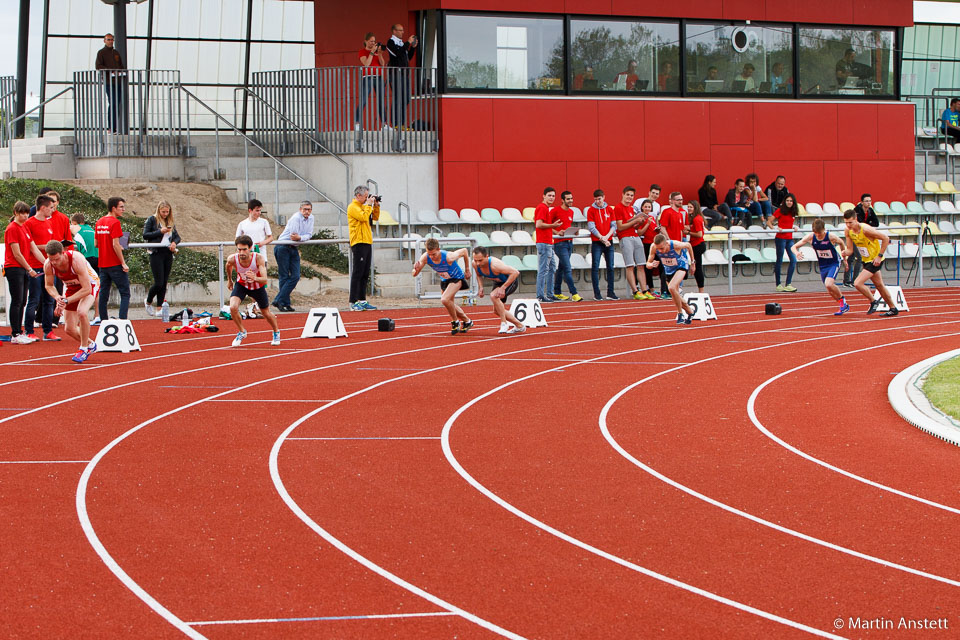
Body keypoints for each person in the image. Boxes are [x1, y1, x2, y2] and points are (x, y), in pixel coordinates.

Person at [43, 241, 100, 363]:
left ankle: (83, 348)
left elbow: (86, 289)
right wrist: (58, 298)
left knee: (82, 312)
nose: (54, 263)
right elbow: (49, 285)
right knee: (69, 329)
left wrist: (66, 301)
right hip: (71, 287)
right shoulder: (48, 264)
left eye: (56, 259)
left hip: (89, 284)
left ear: (63, 253)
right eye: (51, 259)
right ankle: (91, 345)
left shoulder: (76, 260)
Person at [225, 235, 281, 347]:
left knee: (266, 313)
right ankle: (242, 332)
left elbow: (265, 280)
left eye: (244, 249)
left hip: (257, 287)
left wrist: (255, 277)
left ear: (250, 248)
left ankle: (276, 332)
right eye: (239, 249)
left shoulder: (258, 258)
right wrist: (230, 280)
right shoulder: (232, 259)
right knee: (233, 307)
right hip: (241, 285)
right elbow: (228, 266)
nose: (241, 252)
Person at [840, 209, 898, 316]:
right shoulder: (848, 231)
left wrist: (879, 256)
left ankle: (873, 301)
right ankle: (893, 308)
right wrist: (844, 252)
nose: (848, 225)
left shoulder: (866, 229)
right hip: (866, 260)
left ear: (856, 219)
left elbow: (885, 238)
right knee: (879, 285)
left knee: (857, 283)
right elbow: (850, 250)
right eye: (846, 222)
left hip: (875, 260)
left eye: (850, 222)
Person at [411, 238, 474, 335]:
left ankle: (455, 322)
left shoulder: (449, 257)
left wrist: (467, 269)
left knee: (445, 299)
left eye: (434, 254)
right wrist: (416, 269)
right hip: (444, 280)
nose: (432, 257)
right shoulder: (425, 257)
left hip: (457, 278)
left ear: (438, 249)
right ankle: (467, 321)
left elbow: (464, 251)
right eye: (429, 254)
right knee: (449, 303)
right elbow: (414, 274)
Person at [4, 201, 44, 344]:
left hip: (23, 268)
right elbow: (17, 253)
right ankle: (15, 333)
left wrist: (46, 263)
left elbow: (33, 248)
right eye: (22, 213)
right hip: (14, 268)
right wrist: (29, 268)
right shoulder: (12, 228)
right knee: (17, 300)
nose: (25, 216)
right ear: (15, 213)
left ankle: (19, 332)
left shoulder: (25, 228)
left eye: (27, 213)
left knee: (23, 301)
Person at [791, 218, 850, 316]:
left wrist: (844, 259)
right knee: (829, 290)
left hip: (834, 263)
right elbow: (793, 247)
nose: (818, 235)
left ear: (824, 229)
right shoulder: (811, 237)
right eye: (816, 233)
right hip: (823, 265)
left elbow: (841, 243)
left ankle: (843, 301)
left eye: (820, 233)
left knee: (829, 284)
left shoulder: (830, 236)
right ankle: (843, 305)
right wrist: (796, 253)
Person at [23, 194, 59, 341]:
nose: (52, 210)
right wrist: (45, 247)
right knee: (34, 299)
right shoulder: (29, 223)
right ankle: (29, 331)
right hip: (35, 266)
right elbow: (29, 245)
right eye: (50, 207)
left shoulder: (49, 223)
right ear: (43, 207)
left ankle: (48, 330)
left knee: (49, 299)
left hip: (49, 267)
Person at [272, 200, 314, 313]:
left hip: (293, 247)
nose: (307, 212)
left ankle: (279, 299)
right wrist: (301, 237)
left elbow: (309, 234)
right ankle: (284, 303)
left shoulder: (311, 218)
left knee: (295, 275)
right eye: (305, 209)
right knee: (284, 276)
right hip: (283, 246)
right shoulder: (296, 218)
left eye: (309, 209)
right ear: (300, 209)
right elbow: (293, 236)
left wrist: (301, 238)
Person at [472, 246, 525, 334]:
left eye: (480, 260)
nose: (478, 263)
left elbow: (515, 272)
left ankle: (504, 323)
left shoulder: (495, 265)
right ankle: (520, 326)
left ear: (487, 256)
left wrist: (503, 288)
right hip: (498, 283)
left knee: (493, 295)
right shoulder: (475, 264)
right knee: (497, 311)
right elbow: (479, 275)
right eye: (475, 260)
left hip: (510, 282)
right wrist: (481, 287)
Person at [95, 196, 130, 326]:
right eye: (121, 207)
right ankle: (122, 321)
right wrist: (123, 262)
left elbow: (96, 243)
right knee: (125, 293)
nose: (123, 209)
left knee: (104, 293)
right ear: (113, 208)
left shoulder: (99, 222)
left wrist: (107, 244)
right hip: (114, 263)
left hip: (103, 264)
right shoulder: (115, 223)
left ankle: (103, 321)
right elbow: (116, 244)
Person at [645, 234, 695, 325]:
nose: (660, 251)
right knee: (674, 294)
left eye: (662, 248)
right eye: (658, 249)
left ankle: (680, 314)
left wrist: (693, 263)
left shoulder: (675, 245)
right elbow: (648, 263)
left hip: (681, 265)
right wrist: (651, 265)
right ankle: (690, 311)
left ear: (666, 244)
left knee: (671, 287)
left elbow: (688, 245)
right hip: (668, 269)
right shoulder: (653, 247)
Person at [142, 200, 181, 317]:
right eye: (163, 212)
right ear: (159, 210)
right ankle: (148, 301)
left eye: (167, 212)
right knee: (158, 282)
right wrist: (159, 231)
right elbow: (145, 235)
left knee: (164, 282)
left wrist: (174, 242)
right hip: (156, 251)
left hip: (167, 252)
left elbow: (178, 237)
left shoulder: (170, 221)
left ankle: (159, 308)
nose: (165, 214)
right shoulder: (152, 219)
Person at [347, 185, 380, 311]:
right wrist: (368, 205)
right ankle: (353, 301)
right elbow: (363, 217)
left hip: (366, 240)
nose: (367, 199)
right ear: (358, 195)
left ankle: (362, 299)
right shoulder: (353, 207)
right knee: (358, 272)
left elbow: (374, 218)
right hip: (358, 242)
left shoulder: (364, 207)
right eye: (366, 196)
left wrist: (375, 206)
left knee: (365, 273)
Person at [614, 186, 647, 299]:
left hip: (635, 235)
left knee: (641, 264)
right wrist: (635, 220)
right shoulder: (618, 208)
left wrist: (639, 221)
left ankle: (644, 289)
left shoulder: (631, 208)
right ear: (623, 194)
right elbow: (620, 227)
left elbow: (632, 225)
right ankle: (635, 291)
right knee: (630, 265)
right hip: (625, 237)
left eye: (631, 195)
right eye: (628, 194)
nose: (629, 197)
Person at [843, 193, 880, 287]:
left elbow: (876, 223)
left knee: (854, 257)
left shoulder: (870, 211)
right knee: (856, 257)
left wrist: (866, 226)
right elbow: (857, 224)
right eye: (866, 201)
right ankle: (850, 280)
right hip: (855, 235)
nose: (868, 203)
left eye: (870, 201)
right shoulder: (857, 211)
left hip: (863, 237)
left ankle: (852, 280)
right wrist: (866, 224)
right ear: (862, 202)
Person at [586, 189, 617, 301]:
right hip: (597, 242)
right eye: (596, 199)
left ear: (604, 197)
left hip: (608, 240)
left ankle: (611, 292)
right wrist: (602, 238)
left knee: (611, 267)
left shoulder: (609, 209)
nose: (598, 201)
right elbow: (591, 227)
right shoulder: (591, 210)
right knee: (595, 266)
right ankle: (597, 293)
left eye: (599, 199)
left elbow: (613, 226)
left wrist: (607, 237)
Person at [385, 23, 418, 129]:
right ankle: (395, 123)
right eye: (400, 30)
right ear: (394, 31)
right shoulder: (390, 42)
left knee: (406, 98)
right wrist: (407, 43)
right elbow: (397, 54)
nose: (402, 32)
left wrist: (412, 47)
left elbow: (408, 56)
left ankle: (401, 123)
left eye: (403, 30)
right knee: (398, 98)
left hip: (405, 74)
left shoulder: (401, 43)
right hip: (395, 74)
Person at [552, 190, 581, 302]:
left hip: (569, 242)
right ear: (562, 200)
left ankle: (557, 292)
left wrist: (575, 232)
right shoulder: (555, 211)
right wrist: (557, 232)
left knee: (562, 268)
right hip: (560, 244)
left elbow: (567, 227)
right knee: (567, 268)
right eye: (568, 199)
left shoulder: (571, 212)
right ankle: (574, 293)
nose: (571, 201)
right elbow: (547, 225)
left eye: (571, 198)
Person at [534, 187, 562, 303]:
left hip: (548, 242)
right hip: (544, 243)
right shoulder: (542, 208)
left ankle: (550, 294)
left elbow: (542, 224)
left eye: (553, 196)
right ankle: (540, 295)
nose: (551, 198)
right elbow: (539, 224)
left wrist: (556, 231)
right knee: (543, 270)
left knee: (551, 268)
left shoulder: (545, 208)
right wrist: (553, 226)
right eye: (549, 195)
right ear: (544, 196)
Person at [767, 193, 799, 292]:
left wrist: (794, 227)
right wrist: (775, 228)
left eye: (791, 201)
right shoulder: (780, 210)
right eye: (787, 201)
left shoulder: (793, 212)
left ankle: (788, 283)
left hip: (790, 239)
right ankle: (778, 284)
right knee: (779, 260)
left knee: (793, 260)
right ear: (784, 202)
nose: (789, 202)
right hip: (780, 238)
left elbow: (790, 224)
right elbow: (769, 221)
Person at [94, 33, 126, 133]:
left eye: (112, 40)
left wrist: (120, 71)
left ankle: (114, 127)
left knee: (117, 103)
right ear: (104, 41)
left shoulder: (116, 53)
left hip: (117, 81)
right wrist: (109, 70)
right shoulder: (101, 53)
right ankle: (111, 127)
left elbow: (121, 65)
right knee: (113, 103)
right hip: (109, 81)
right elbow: (98, 66)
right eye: (108, 40)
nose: (110, 41)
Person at [355, 33, 387, 131]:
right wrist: (372, 53)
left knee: (381, 101)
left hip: (379, 77)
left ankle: (384, 124)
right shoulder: (362, 51)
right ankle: (357, 123)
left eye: (374, 41)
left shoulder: (377, 52)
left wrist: (380, 54)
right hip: (368, 77)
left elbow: (382, 64)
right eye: (371, 41)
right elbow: (366, 64)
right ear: (366, 41)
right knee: (363, 100)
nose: (373, 43)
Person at [634, 198, 659, 299]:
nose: (647, 208)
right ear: (642, 207)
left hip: (654, 244)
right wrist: (647, 223)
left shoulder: (652, 217)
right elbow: (640, 232)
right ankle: (649, 289)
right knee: (647, 267)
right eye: (646, 207)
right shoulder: (642, 218)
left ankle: (652, 288)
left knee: (654, 267)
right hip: (646, 244)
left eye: (649, 207)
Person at [236, 199, 273, 264]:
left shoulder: (264, 222)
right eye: (257, 211)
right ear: (250, 210)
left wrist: (262, 243)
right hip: (247, 257)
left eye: (260, 210)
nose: (259, 213)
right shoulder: (242, 224)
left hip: (261, 256)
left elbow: (271, 238)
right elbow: (237, 239)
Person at [687, 200, 707, 293]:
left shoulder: (696, 219)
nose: (689, 208)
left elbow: (699, 234)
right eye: (688, 207)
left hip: (697, 245)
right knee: (697, 267)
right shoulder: (696, 218)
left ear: (695, 208)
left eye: (691, 207)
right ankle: (701, 290)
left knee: (697, 268)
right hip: (696, 244)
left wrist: (688, 232)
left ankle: (701, 290)